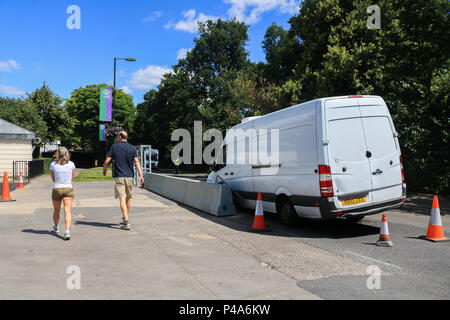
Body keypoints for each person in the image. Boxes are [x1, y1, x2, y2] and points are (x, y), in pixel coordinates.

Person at [103, 131, 144, 230]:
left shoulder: (114, 147)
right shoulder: (132, 148)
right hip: (130, 176)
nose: (117, 137)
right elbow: (137, 162)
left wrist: (104, 169)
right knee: (128, 198)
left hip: (119, 176)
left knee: (122, 198)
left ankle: (126, 221)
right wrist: (141, 175)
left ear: (120, 137)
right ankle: (125, 217)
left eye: (118, 136)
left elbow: (107, 160)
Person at [50, 147, 76, 240]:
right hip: (68, 188)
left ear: (57, 154)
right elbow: (72, 177)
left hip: (57, 188)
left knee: (56, 210)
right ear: (67, 154)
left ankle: (56, 227)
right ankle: (67, 232)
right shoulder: (71, 164)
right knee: (67, 211)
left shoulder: (53, 164)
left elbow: (53, 178)